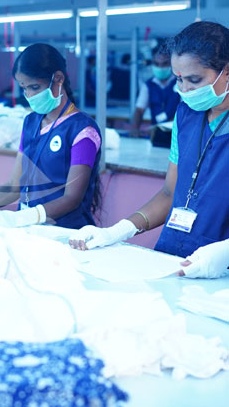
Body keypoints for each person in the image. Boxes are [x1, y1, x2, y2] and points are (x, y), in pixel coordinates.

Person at [69, 21, 229, 279]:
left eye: (194, 80)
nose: (184, 89)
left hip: (218, 267)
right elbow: (170, 192)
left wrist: (225, 252)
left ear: (227, 71)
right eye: (179, 79)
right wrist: (119, 230)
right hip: (172, 254)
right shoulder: (185, 115)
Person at [0, 43, 102, 229]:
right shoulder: (30, 122)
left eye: (35, 87)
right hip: (30, 229)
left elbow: (72, 198)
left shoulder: (83, 130)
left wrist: (20, 218)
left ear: (58, 79)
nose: (29, 95)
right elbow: (15, 185)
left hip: (65, 232)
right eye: (24, 88)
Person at [130, 43, 180, 140]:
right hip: (156, 134)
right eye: (156, 64)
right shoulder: (148, 85)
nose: (160, 67)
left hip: (177, 134)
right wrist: (135, 128)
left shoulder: (180, 83)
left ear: (171, 63)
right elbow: (139, 110)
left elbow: (186, 111)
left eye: (164, 64)